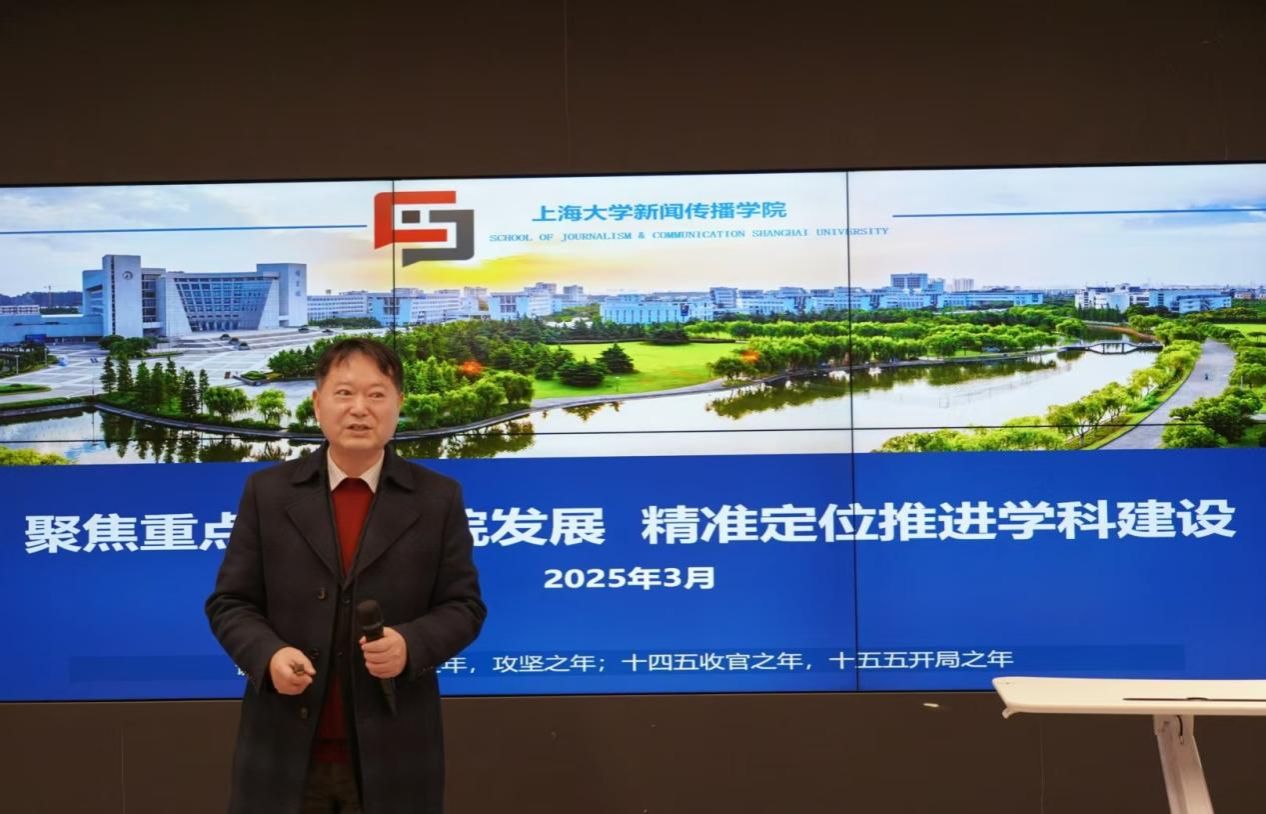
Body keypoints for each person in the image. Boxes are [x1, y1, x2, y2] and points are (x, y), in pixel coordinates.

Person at [206, 337, 486, 814]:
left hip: (396, 752)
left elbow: (464, 607)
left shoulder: (438, 498)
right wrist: (269, 655)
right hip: (283, 749)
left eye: (376, 394)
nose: (360, 409)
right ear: (318, 404)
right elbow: (230, 603)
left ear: (399, 403)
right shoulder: (268, 493)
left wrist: (411, 645)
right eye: (344, 393)